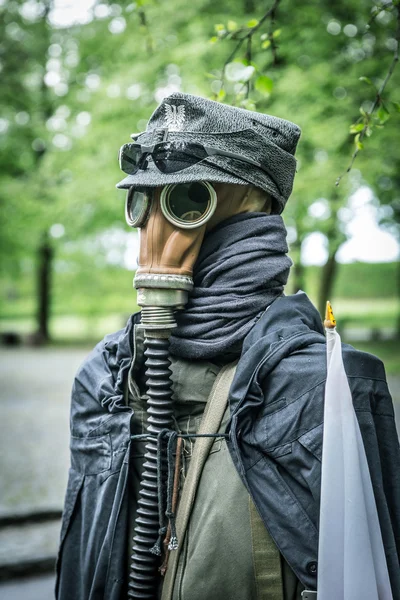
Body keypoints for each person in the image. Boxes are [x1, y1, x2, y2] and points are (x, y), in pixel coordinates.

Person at [56, 93, 400, 600]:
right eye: (143, 201)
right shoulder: (107, 376)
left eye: (186, 200)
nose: (157, 231)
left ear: (256, 206)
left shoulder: (318, 387)